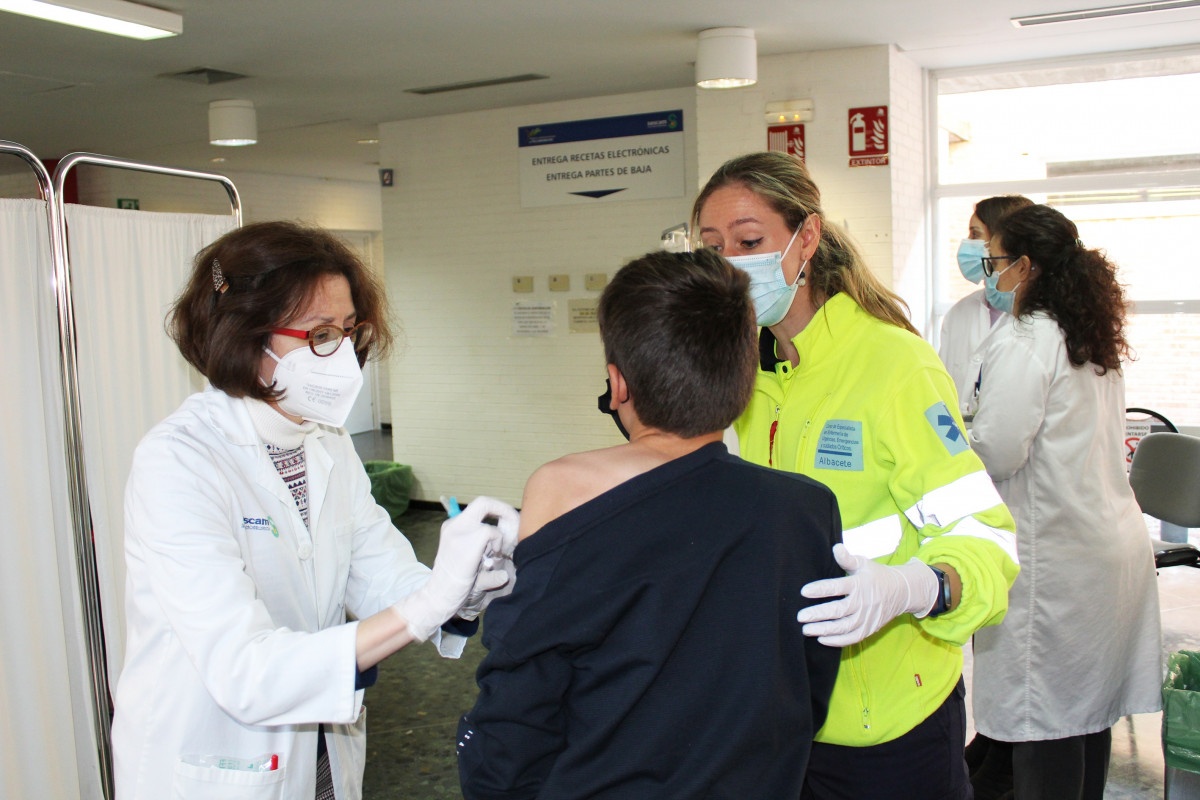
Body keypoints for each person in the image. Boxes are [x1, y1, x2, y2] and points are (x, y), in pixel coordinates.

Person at [111, 221, 519, 800]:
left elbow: (377, 569)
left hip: (323, 753)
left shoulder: (326, 441)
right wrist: (427, 604)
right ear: (244, 335)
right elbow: (246, 670)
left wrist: (460, 592)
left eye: (348, 332)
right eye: (319, 334)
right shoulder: (180, 461)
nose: (344, 357)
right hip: (215, 764)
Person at [456, 249, 844, 799]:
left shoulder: (562, 489)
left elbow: (519, 704)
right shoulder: (806, 509)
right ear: (744, 382)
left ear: (618, 385)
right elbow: (807, 690)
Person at [692, 151, 1020, 800]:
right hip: (782, 720)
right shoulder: (745, 373)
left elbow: (990, 542)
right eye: (713, 248)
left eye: (750, 242)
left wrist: (916, 588)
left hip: (887, 730)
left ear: (806, 238)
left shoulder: (893, 365)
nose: (731, 263)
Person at [967, 204, 1162, 800]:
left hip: (1054, 560)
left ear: (1025, 265)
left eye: (994, 259)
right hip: (1104, 547)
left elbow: (998, 451)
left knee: (1043, 724)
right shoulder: (1087, 334)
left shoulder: (1028, 337)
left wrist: (954, 436)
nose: (987, 270)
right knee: (1086, 716)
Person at [939, 194, 1034, 415]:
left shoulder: (1038, 320)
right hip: (960, 444)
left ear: (1003, 240)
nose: (967, 243)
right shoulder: (959, 314)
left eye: (975, 234)